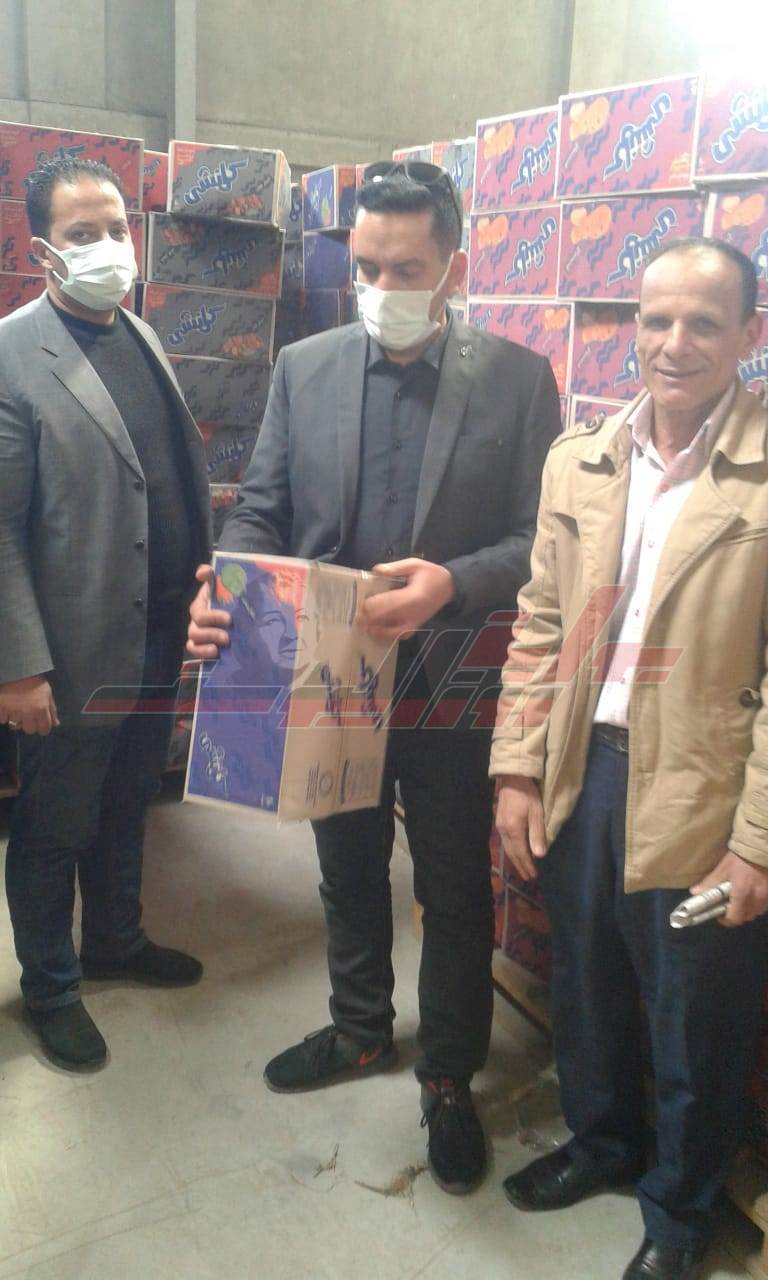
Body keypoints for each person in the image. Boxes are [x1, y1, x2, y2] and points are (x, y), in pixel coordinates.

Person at [188, 162, 561, 1194]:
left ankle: (448, 1072)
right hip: (329, 681)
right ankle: (358, 1027)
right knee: (348, 868)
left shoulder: (518, 379)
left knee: (452, 886)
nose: (383, 286)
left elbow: (542, 537)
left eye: (406, 268)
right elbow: (260, 507)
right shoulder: (305, 368)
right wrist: (225, 587)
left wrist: (454, 582)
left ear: (455, 269)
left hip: (453, 685)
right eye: (367, 267)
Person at [492, 237, 768, 1280]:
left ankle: (681, 1215)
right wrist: (518, 768)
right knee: (588, 981)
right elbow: (540, 619)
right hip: (583, 769)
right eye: (656, 319)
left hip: (707, 788)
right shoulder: (584, 459)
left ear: (749, 334)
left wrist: (757, 843)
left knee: (696, 1015)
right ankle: (603, 1141)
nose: (674, 343)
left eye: (704, 322)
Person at [0, 157, 211, 1070]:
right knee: (55, 824)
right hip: (69, 650)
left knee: (128, 802)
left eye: (117, 229)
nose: (108, 248)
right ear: (42, 250)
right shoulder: (14, 353)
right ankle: (51, 986)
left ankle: (116, 940)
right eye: (82, 234)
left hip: (157, 630)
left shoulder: (140, 334)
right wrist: (17, 666)